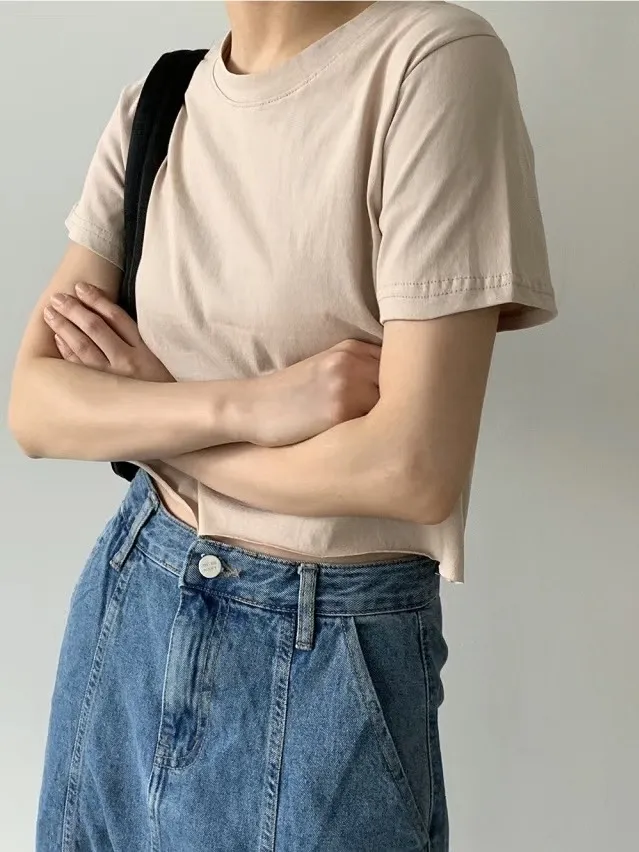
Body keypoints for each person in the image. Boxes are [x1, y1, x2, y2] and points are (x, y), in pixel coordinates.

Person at [8, 2, 557, 850]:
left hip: (325, 646)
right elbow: (36, 408)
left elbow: (411, 472)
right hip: (133, 600)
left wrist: (151, 425)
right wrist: (252, 405)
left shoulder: (431, 61)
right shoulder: (161, 99)